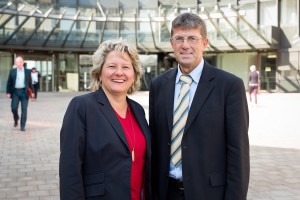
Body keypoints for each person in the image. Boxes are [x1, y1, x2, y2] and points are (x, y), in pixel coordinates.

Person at [149, 13, 249, 200]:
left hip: (210, 193)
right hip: (165, 192)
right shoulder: (158, 85)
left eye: (192, 38)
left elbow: (238, 152)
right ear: (172, 43)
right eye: (179, 38)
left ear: (204, 43)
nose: (185, 45)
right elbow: (155, 143)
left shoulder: (229, 86)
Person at [59, 38, 151, 200]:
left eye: (126, 67)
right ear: (99, 72)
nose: (119, 72)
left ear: (134, 74)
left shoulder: (137, 110)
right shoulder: (82, 107)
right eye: (111, 66)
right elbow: (70, 171)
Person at [6, 56, 35, 131]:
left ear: (22, 62)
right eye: (16, 62)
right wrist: (8, 92)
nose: (17, 64)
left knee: (24, 109)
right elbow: (9, 82)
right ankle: (16, 118)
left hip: (24, 92)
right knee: (14, 108)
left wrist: (33, 92)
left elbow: (30, 83)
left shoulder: (27, 71)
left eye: (19, 62)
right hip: (15, 92)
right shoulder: (12, 71)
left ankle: (22, 126)